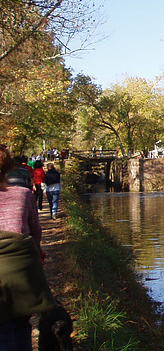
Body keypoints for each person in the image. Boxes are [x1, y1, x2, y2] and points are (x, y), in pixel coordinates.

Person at [0, 144, 56, 350]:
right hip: (21, 270)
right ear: (8, 167)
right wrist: (37, 254)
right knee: (21, 324)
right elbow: (36, 231)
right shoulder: (23, 195)